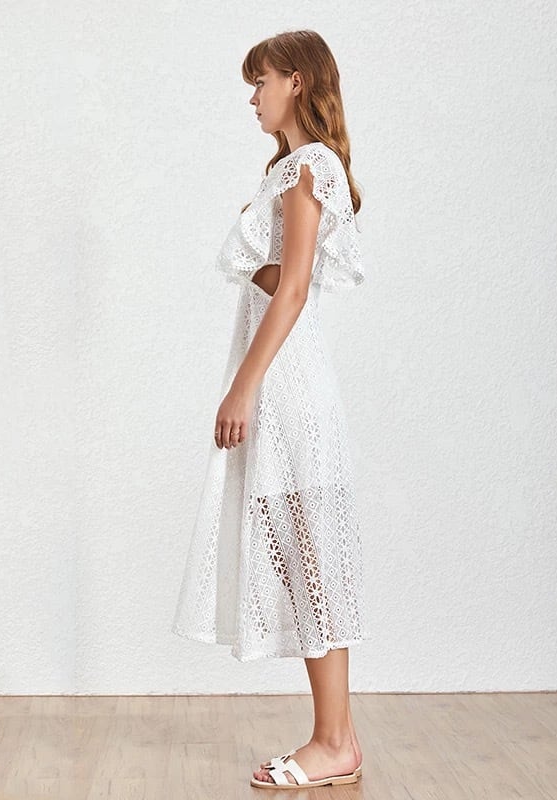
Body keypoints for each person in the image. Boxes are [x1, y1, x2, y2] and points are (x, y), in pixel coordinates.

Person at [172, 29, 368, 789]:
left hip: (287, 385)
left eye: (261, 82)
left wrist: (242, 386)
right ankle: (337, 738)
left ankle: (334, 741)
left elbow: (292, 290)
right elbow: (278, 281)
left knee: (311, 560)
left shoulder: (308, 167)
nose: (252, 98)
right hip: (284, 381)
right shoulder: (293, 168)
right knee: (303, 561)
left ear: (296, 82)